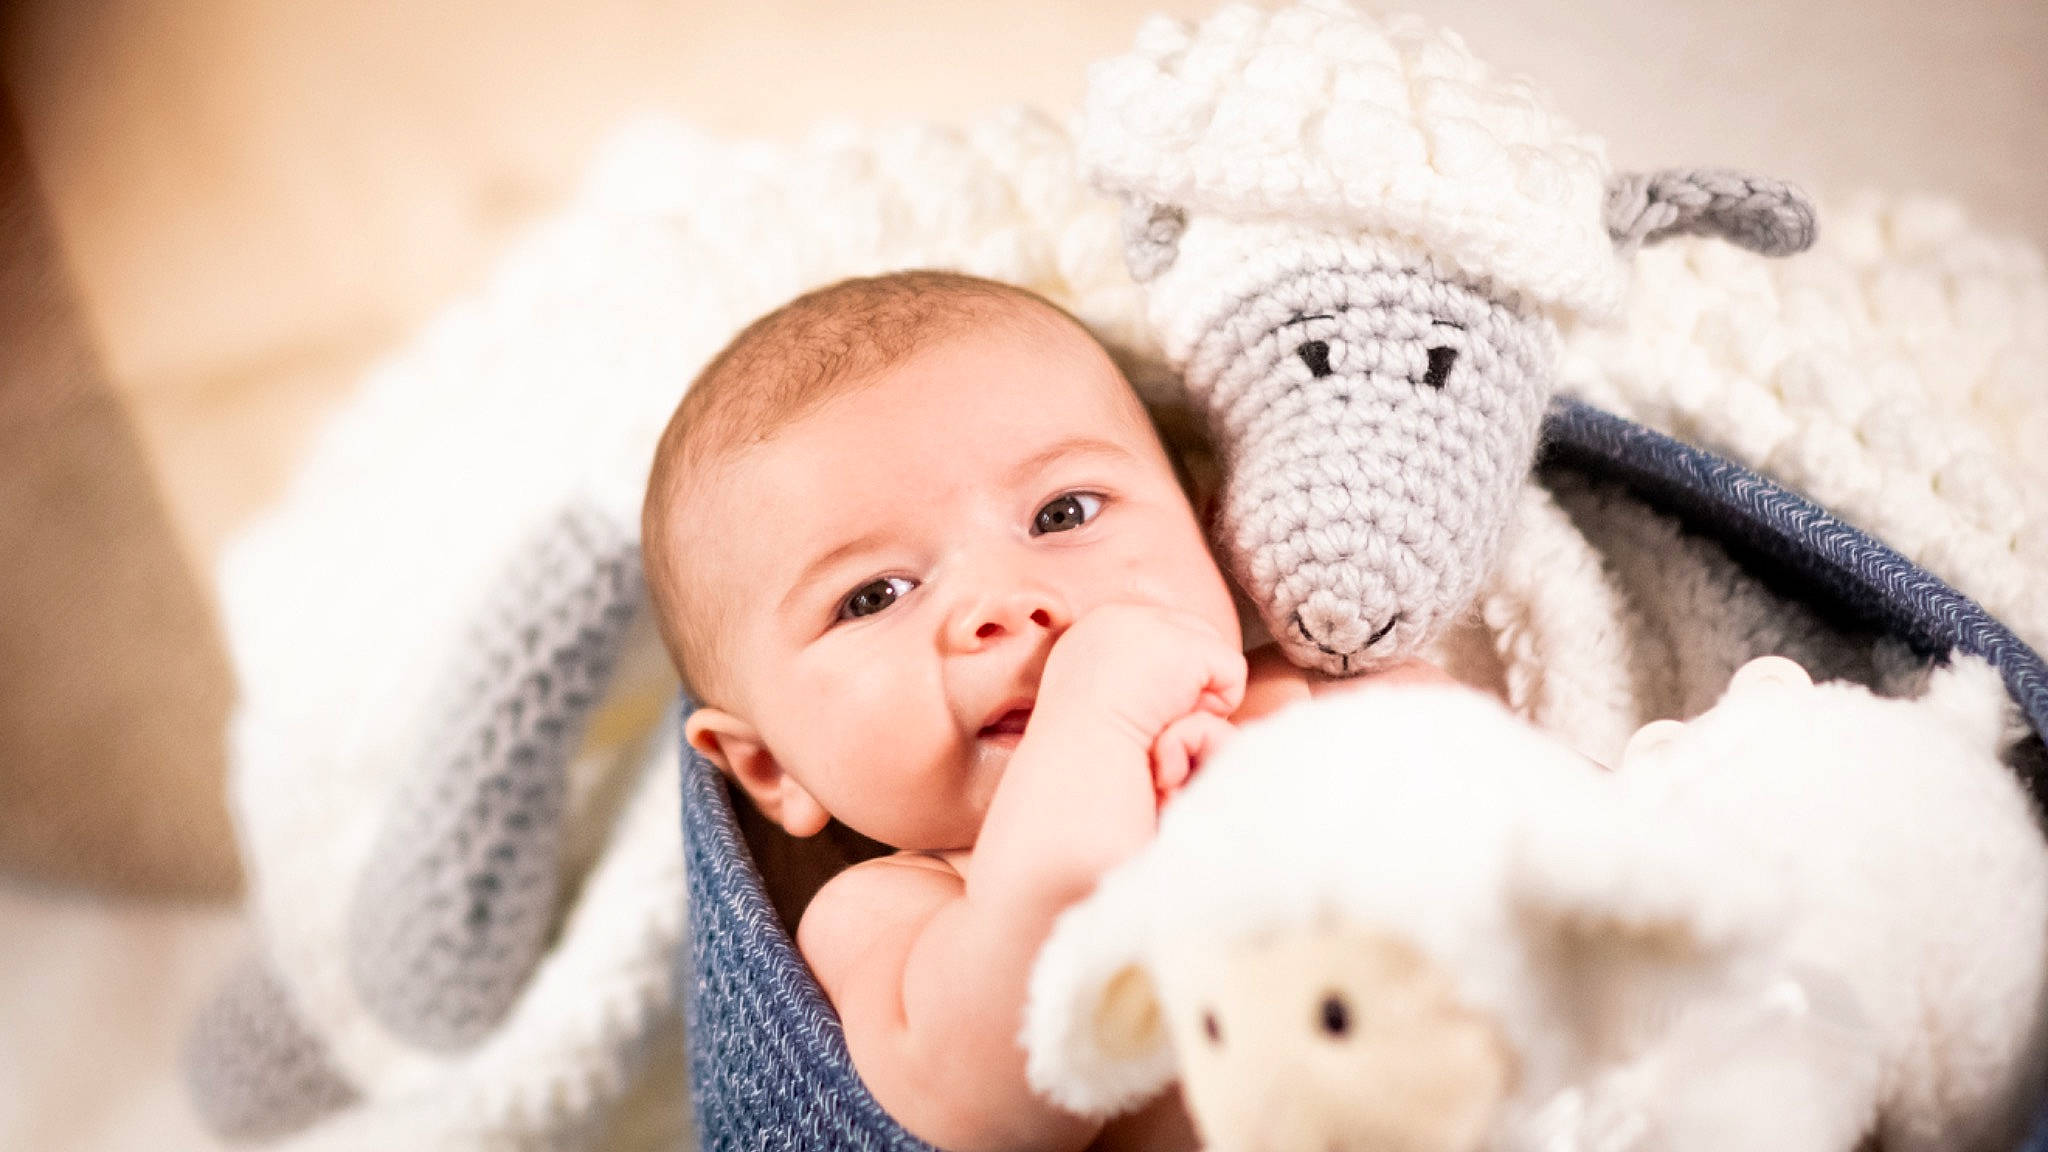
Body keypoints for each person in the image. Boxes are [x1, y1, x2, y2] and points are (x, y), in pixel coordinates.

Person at [641, 269, 1443, 1151]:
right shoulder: (892, 914)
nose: (1003, 600)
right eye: (874, 596)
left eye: (1063, 513)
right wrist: (1093, 719)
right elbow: (1015, 1092)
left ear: (1213, 532)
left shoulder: (1330, 703)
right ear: (771, 768)